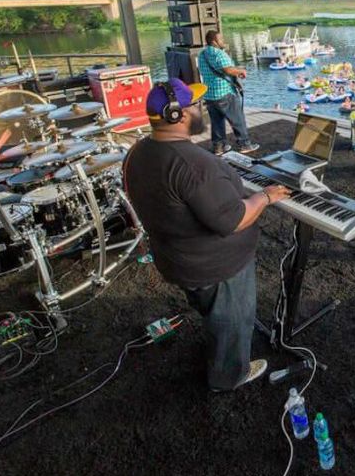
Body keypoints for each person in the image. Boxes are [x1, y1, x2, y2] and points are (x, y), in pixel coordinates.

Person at [122, 79, 291, 392]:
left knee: (212, 310)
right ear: (178, 115)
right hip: (215, 267)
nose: (200, 107)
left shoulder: (138, 151)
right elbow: (233, 220)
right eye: (195, 104)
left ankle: (219, 339)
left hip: (175, 258)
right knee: (232, 319)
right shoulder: (192, 164)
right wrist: (264, 197)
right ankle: (228, 376)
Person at [197, 30, 259, 155]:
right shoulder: (219, 54)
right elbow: (227, 69)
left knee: (217, 122)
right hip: (224, 92)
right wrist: (241, 71)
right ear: (214, 41)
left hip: (209, 94)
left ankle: (219, 147)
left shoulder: (202, 54)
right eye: (221, 39)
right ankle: (245, 144)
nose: (223, 41)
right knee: (237, 119)